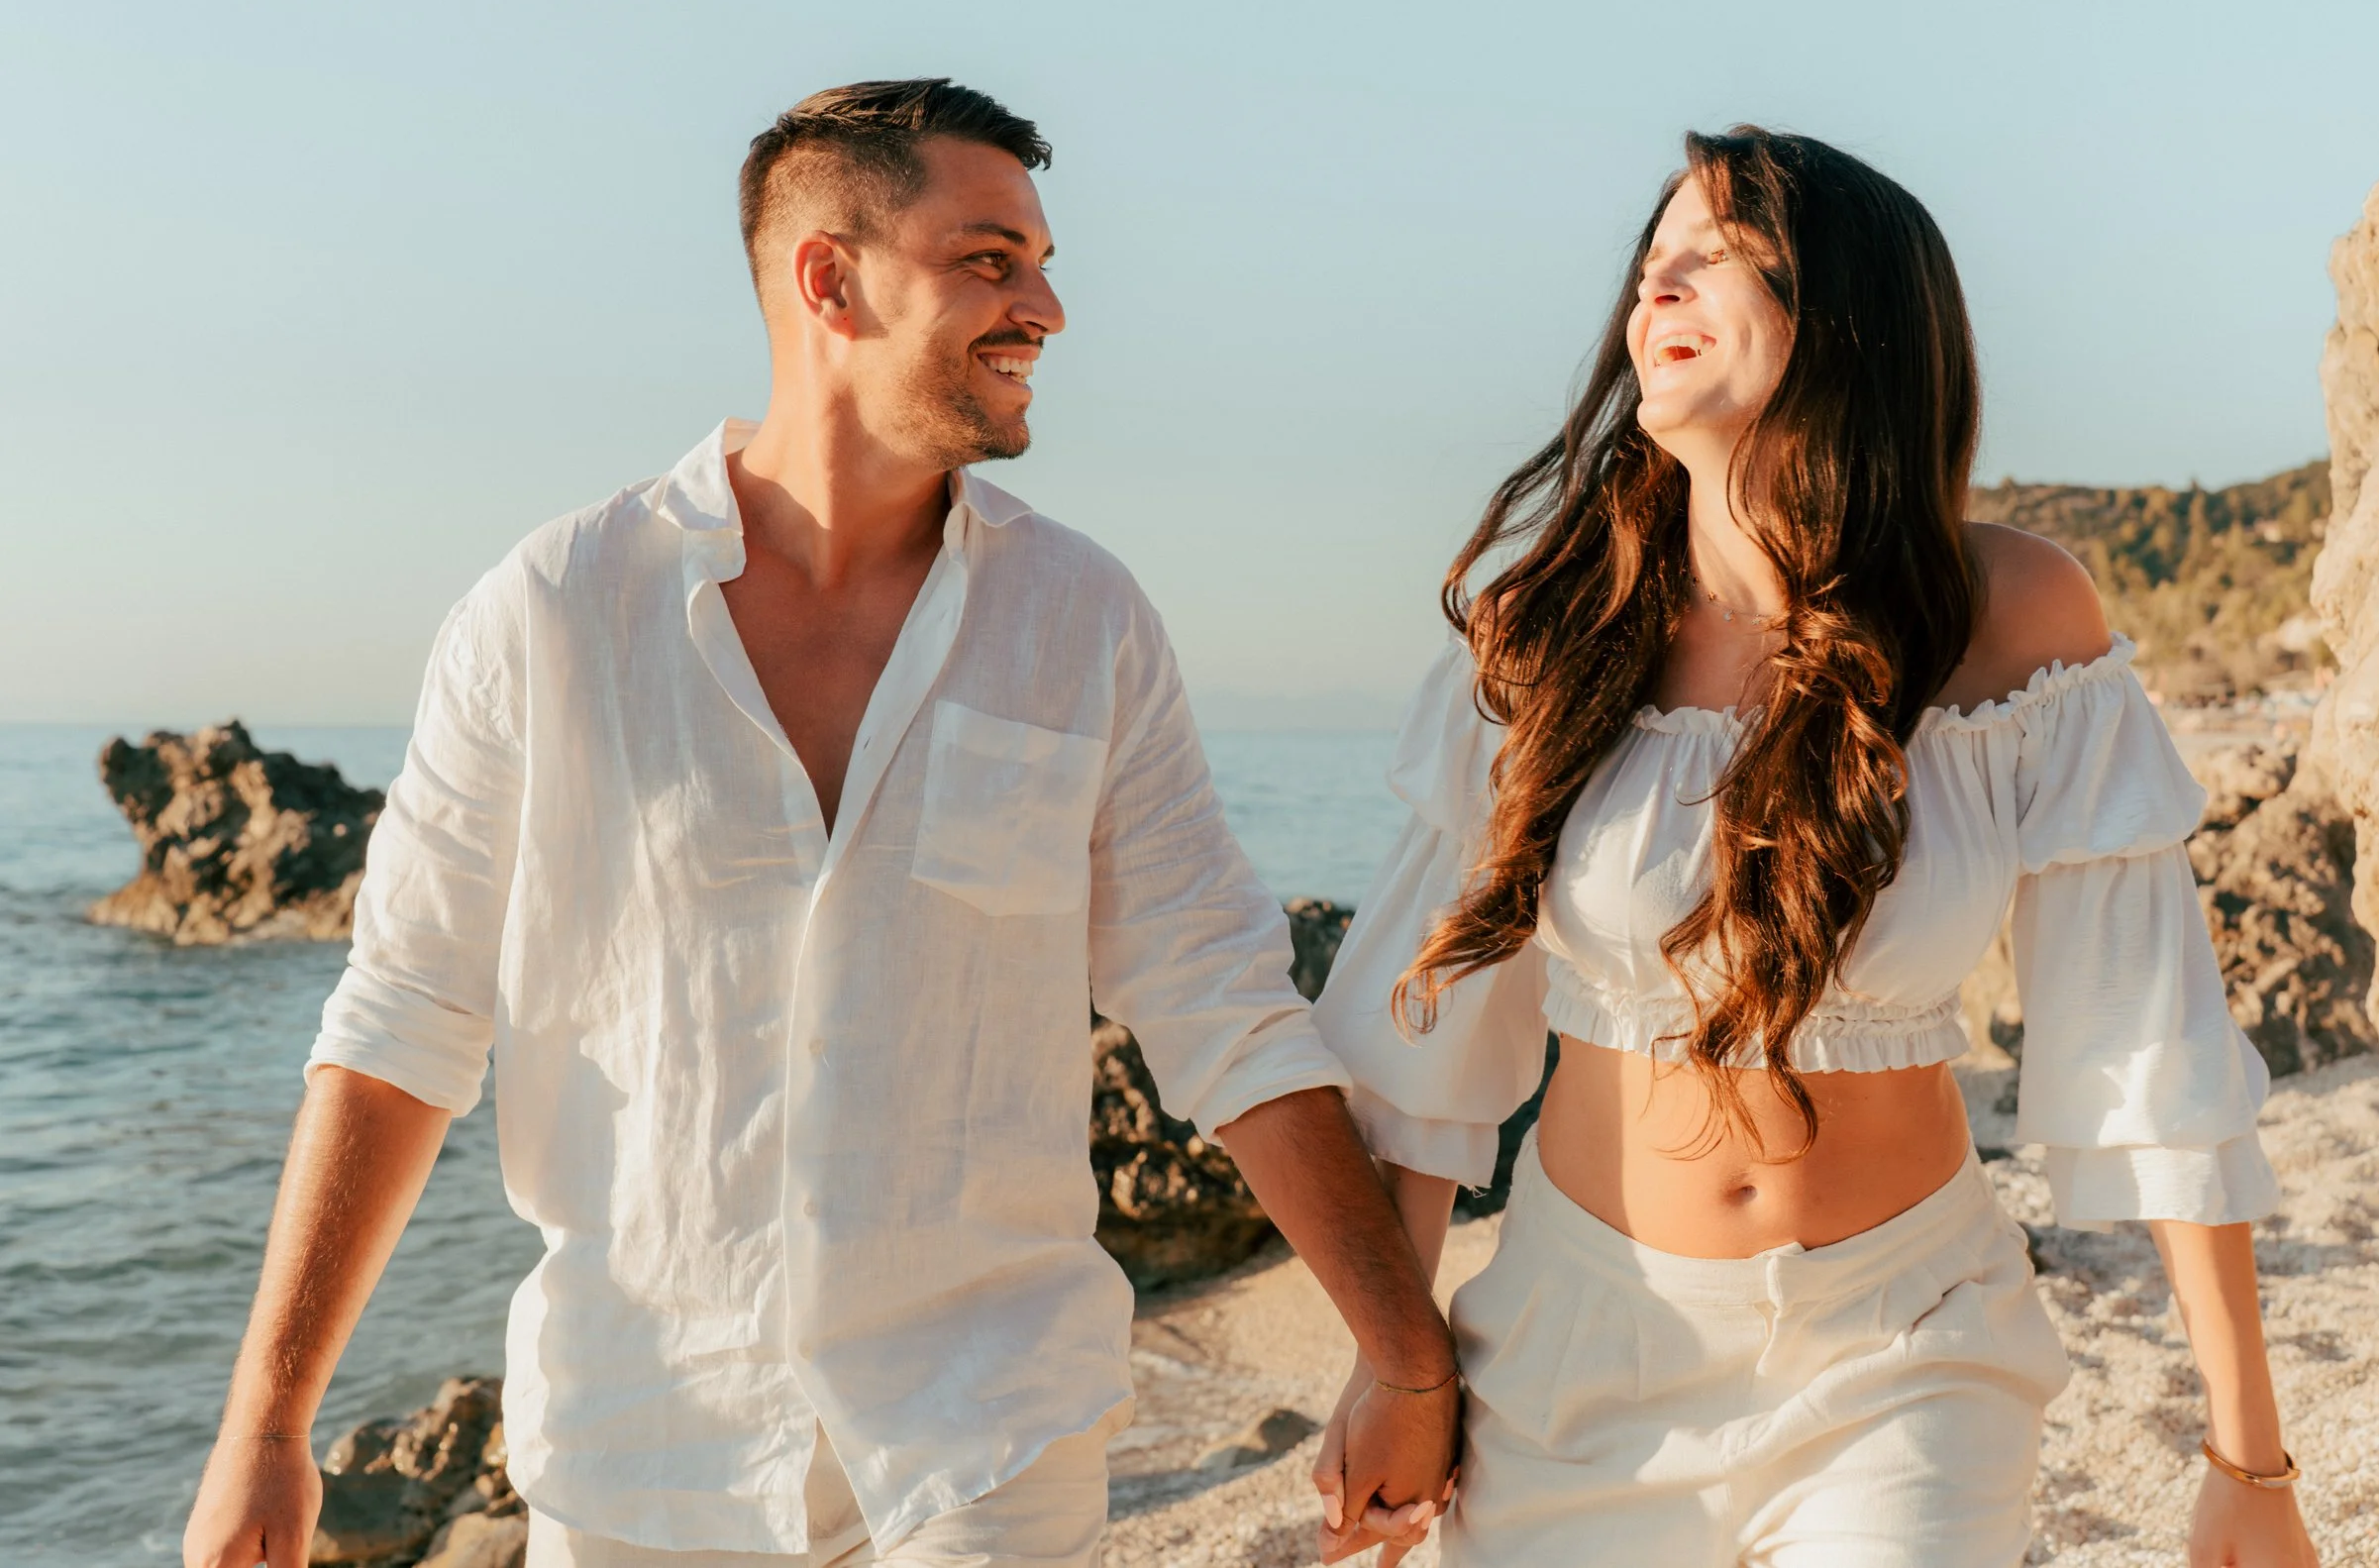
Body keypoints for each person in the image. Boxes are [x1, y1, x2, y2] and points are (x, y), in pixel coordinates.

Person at [181, 78, 1458, 1568]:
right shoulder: (552, 612)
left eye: (1043, 262)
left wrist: (1403, 1351)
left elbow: (1224, 999)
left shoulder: (1085, 620)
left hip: (988, 1439)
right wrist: (267, 1423)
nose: (1045, 306)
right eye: (991, 258)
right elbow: (402, 1021)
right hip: (640, 1451)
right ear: (829, 278)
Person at [1307, 128, 2322, 1567]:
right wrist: (1395, 1366)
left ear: (1846, 312)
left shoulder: (2011, 619)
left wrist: (2248, 1455)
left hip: (1904, 1345)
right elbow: (1426, 1059)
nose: (1658, 283)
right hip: (1575, 1348)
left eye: (1712, 253)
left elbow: (2150, 1046)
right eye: (1650, 261)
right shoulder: (1548, 631)